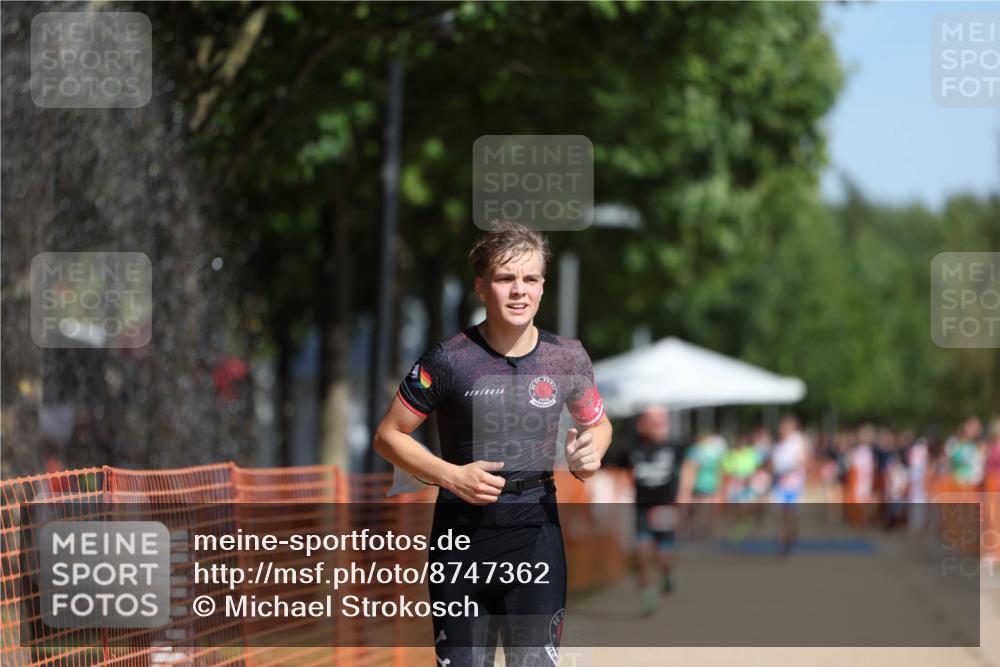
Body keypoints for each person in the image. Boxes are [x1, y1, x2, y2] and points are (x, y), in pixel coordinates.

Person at [372, 221, 613, 667]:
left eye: (531, 279)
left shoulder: (567, 357)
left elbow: (598, 424)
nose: (519, 290)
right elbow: (389, 435)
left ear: (542, 287)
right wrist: (450, 475)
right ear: (482, 286)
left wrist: (590, 452)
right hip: (461, 540)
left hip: (536, 535)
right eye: (505, 278)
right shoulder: (448, 359)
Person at [607, 405, 687, 616]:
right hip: (642, 507)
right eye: (652, 421)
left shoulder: (672, 446)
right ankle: (647, 595)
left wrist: (683, 495)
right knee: (641, 555)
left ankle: (667, 574)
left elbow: (687, 467)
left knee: (663, 554)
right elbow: (620, 470)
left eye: (660, 421)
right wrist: (619, 492)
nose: (656, 425)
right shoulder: (632, 448)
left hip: (665, 506)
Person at [770, 415, 809, 555]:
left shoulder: (798, 441)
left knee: (792, 514)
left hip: (794, 485)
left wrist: (790, 467)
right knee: (781, 513)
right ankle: (782, 541)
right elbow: (774, 464)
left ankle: (791, 535)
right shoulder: (779, 446)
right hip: (780, 484)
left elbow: (803, 460)